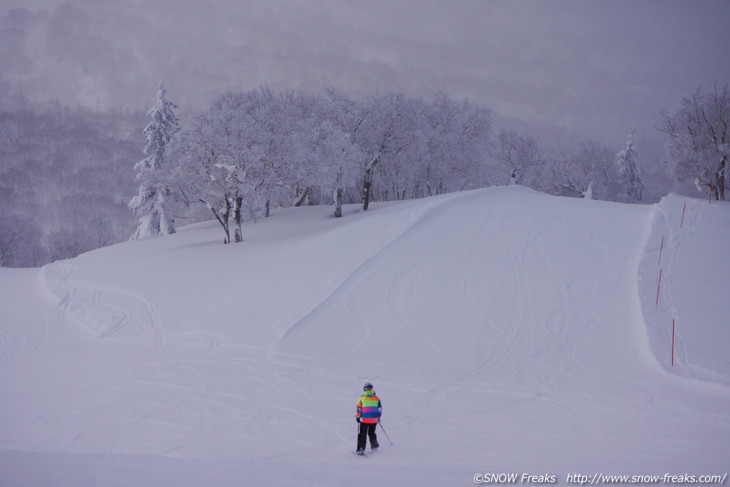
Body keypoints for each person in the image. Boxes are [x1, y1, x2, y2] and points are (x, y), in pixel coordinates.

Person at [355, 382, 381, 454]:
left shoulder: (362, 397)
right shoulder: (377, 398)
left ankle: (361, 449)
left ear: (364, 389)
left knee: (362, 434)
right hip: (374, 420)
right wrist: (378, 418)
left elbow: (359, 408)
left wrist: (358, 416)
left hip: (364, 419)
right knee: (372, 433)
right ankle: (375, 448)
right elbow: (379, 409)